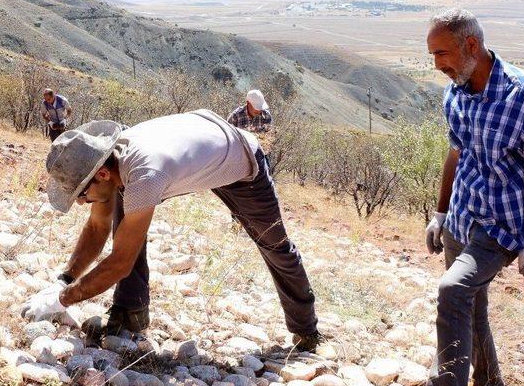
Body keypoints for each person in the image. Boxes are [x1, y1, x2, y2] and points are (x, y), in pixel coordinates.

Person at [22, 109, 323, 352]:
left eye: (81, 195)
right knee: (123, 220)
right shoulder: (110, 164)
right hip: (193, 154)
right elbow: (97, 225)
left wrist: (62, 301)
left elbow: (120, 262)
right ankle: (130, 313)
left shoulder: (144, 175)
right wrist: (62, 281)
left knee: (275, 245)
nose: (80, 203)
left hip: (239, 159)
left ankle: (307, 331)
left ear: (101, 174)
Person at [422, 9, 524, 386]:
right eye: (432, 55)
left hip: (502, 223)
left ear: (471, 46)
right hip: (463, 214)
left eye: (442, 53)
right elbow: (456, 153)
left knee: (453, 290)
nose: (437, 65)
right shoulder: (456, 93)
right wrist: (441, 211)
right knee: (471, 303)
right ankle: (490, 385)